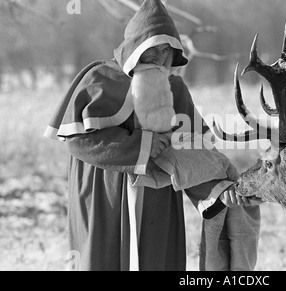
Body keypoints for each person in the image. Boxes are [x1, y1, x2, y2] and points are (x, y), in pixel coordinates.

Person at [44, 0, 261, 271]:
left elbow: (192, 153)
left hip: (156, 200)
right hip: (104, 196)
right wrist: (141, 146)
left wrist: (221, 189)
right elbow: (79, 140)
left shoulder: (175, 88)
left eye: (166, 52)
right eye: (153, 50)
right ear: (135, 48)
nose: (160, 59)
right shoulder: (98, 78)